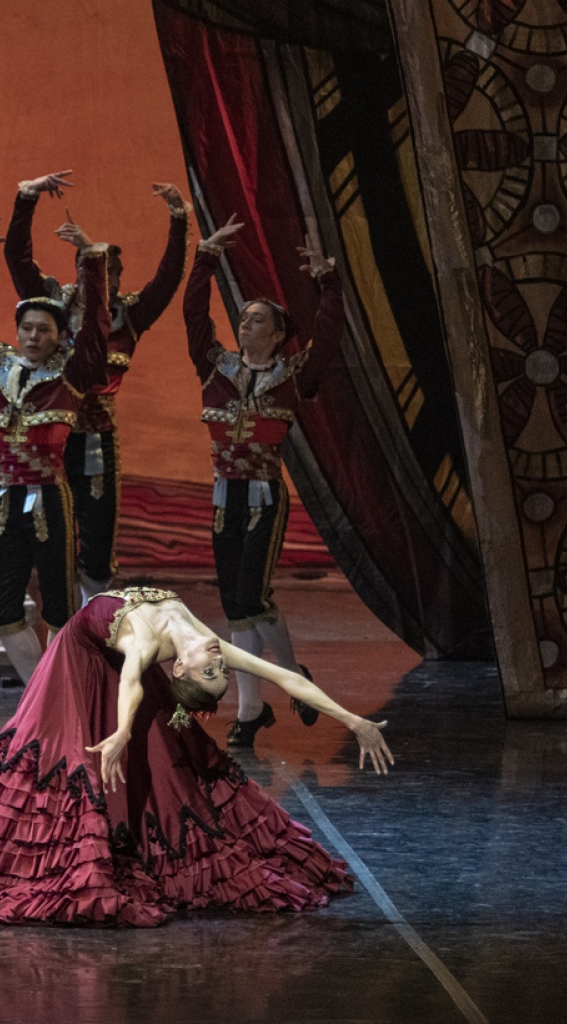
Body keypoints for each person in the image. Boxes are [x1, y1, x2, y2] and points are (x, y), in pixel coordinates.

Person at [0, 586, 392, 927]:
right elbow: (281, 677)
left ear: (181, 667)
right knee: (63, 755)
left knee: (154, 756)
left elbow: (135, 681)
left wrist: (353, 721)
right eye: (218, 669)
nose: (218, 659)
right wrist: (355, 720)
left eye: (213, 670)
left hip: (106, 660)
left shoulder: (148, 645)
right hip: (78, 654)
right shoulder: (197, 640)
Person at [183, 215, 344, 751]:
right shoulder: (217, 368)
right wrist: (204, 258)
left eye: (257, 320)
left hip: (263, 499)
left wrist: (328, 282)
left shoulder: (294, 375)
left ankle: (275, 691)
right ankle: (262, 700)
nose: (245, 324)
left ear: (277, 334)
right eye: (244, 318)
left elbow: (329, 336)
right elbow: (194, 316)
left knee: (250, 596)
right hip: (223, 497)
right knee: (238, 604)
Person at [5, 171, 190, 602]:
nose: (101, 282)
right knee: (47, 533)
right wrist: (27, 198)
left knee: (97, 542)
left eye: (110, 275)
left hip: (95, 441)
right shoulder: (52, 308)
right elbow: (17, 259)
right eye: (94, 271)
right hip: (46, 439)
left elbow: (168, 278)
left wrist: (179, 218)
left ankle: (93, 620)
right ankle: (59, 621)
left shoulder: (129, 318)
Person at [0, 216, 111, 684]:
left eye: (43, 329)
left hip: (51, 501)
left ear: (59, 336)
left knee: (60, 609)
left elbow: (97, 326)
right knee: (2, 609)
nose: (32, 337)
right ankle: (38, 694)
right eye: (26, 328)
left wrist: (92, 259)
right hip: (6, 501)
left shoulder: (71, 374)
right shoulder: (0, 366)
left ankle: (60, 700)